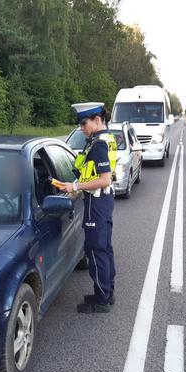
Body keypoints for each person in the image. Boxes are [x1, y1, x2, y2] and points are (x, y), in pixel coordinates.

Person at [57, 102, 117, 313]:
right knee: (105, 249)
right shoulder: (105, 139)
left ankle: (101, 300)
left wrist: (75, 186)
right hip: (103, 202)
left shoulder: (99, 144)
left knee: (95, 250)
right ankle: (107, 293)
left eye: (84, 123)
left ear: (97, 120)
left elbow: (104, 179)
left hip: (96, 202)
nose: (81, 127)